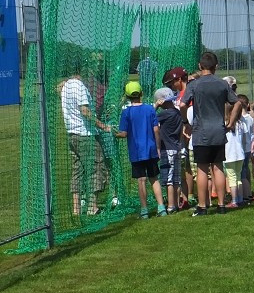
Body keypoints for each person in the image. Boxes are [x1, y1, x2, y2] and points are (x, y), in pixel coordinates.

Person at [176, 51, 242, 216]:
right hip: (219, 130)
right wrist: (231, 122)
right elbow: (238, 103)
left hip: (201, 131)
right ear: (216, 66)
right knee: (218, 166)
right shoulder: (222, 84)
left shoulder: (195, 85)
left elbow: (183, 105)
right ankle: (221, 204)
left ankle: (203, 206)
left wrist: (186, 123)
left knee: (202, 169)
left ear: (200, 66)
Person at [61, 68, 111, 217]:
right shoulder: (79, 86)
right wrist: (102, 126)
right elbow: (85, 111)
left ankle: (76, 208)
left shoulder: (65, 86)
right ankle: (92, 207)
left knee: (77, 170)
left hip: (72, 134)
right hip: (85, 134)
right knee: (96, 167)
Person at [115, 81, 166, 219]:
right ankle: (161, 207)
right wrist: (158, 147)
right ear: (141, 93)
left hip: (136, 152)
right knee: (154, 178)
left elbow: (124, 133)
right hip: (150, 149)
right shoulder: (150, 109)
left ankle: (144, 211)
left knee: (141, 180)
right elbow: (156, 130)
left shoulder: (126, 113)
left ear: (126, 96)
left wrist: (114, 133)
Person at [154, 86, 186, 214]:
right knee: (176, 178)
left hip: (167, 149)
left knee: (169, 179)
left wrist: (155, 106)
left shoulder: (165, 114)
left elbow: (149, 117)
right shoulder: (177, 112)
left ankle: (171, 206)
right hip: (176, 147)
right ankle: (176, 203)